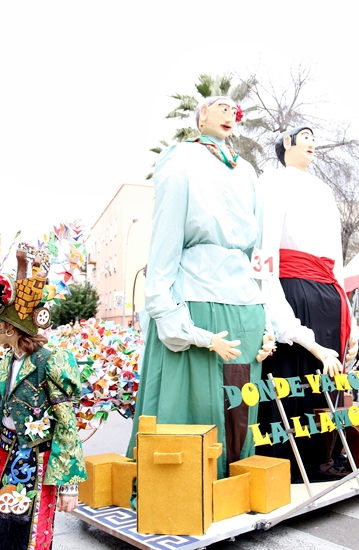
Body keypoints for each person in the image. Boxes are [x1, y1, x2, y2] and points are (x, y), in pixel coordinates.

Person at [128, 96, 274, 479]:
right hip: (195, 294)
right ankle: (183, 490)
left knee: (241, 399)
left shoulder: (246, 171)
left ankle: (234, 485)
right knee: (196, 400)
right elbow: (166, 236)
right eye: (220, 107)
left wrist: (267, 313)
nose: (230, 114)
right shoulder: (180, 160)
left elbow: (257, 249)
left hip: (245, 299)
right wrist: (164, 306)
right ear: (201, 115)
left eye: (234, 109)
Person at [0, 251, 85, 550]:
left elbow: (67, 426)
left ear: (11, 329)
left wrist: (68, 485)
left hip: (37, 463)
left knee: (29, 540)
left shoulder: (51, 362)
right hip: (2, 458)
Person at [257, 125, 358, 481]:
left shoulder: (324, 189)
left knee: (324, 383)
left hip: (327, 289)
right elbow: (265, 245)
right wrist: (267, 290)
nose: (313, 143)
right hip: (291, 286)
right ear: (287, 142)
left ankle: (321, 458)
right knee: (291, 377)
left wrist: (347, 306)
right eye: (305, 137)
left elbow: (336, 252)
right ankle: (282, 464)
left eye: (315, 138)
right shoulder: (271, 182)